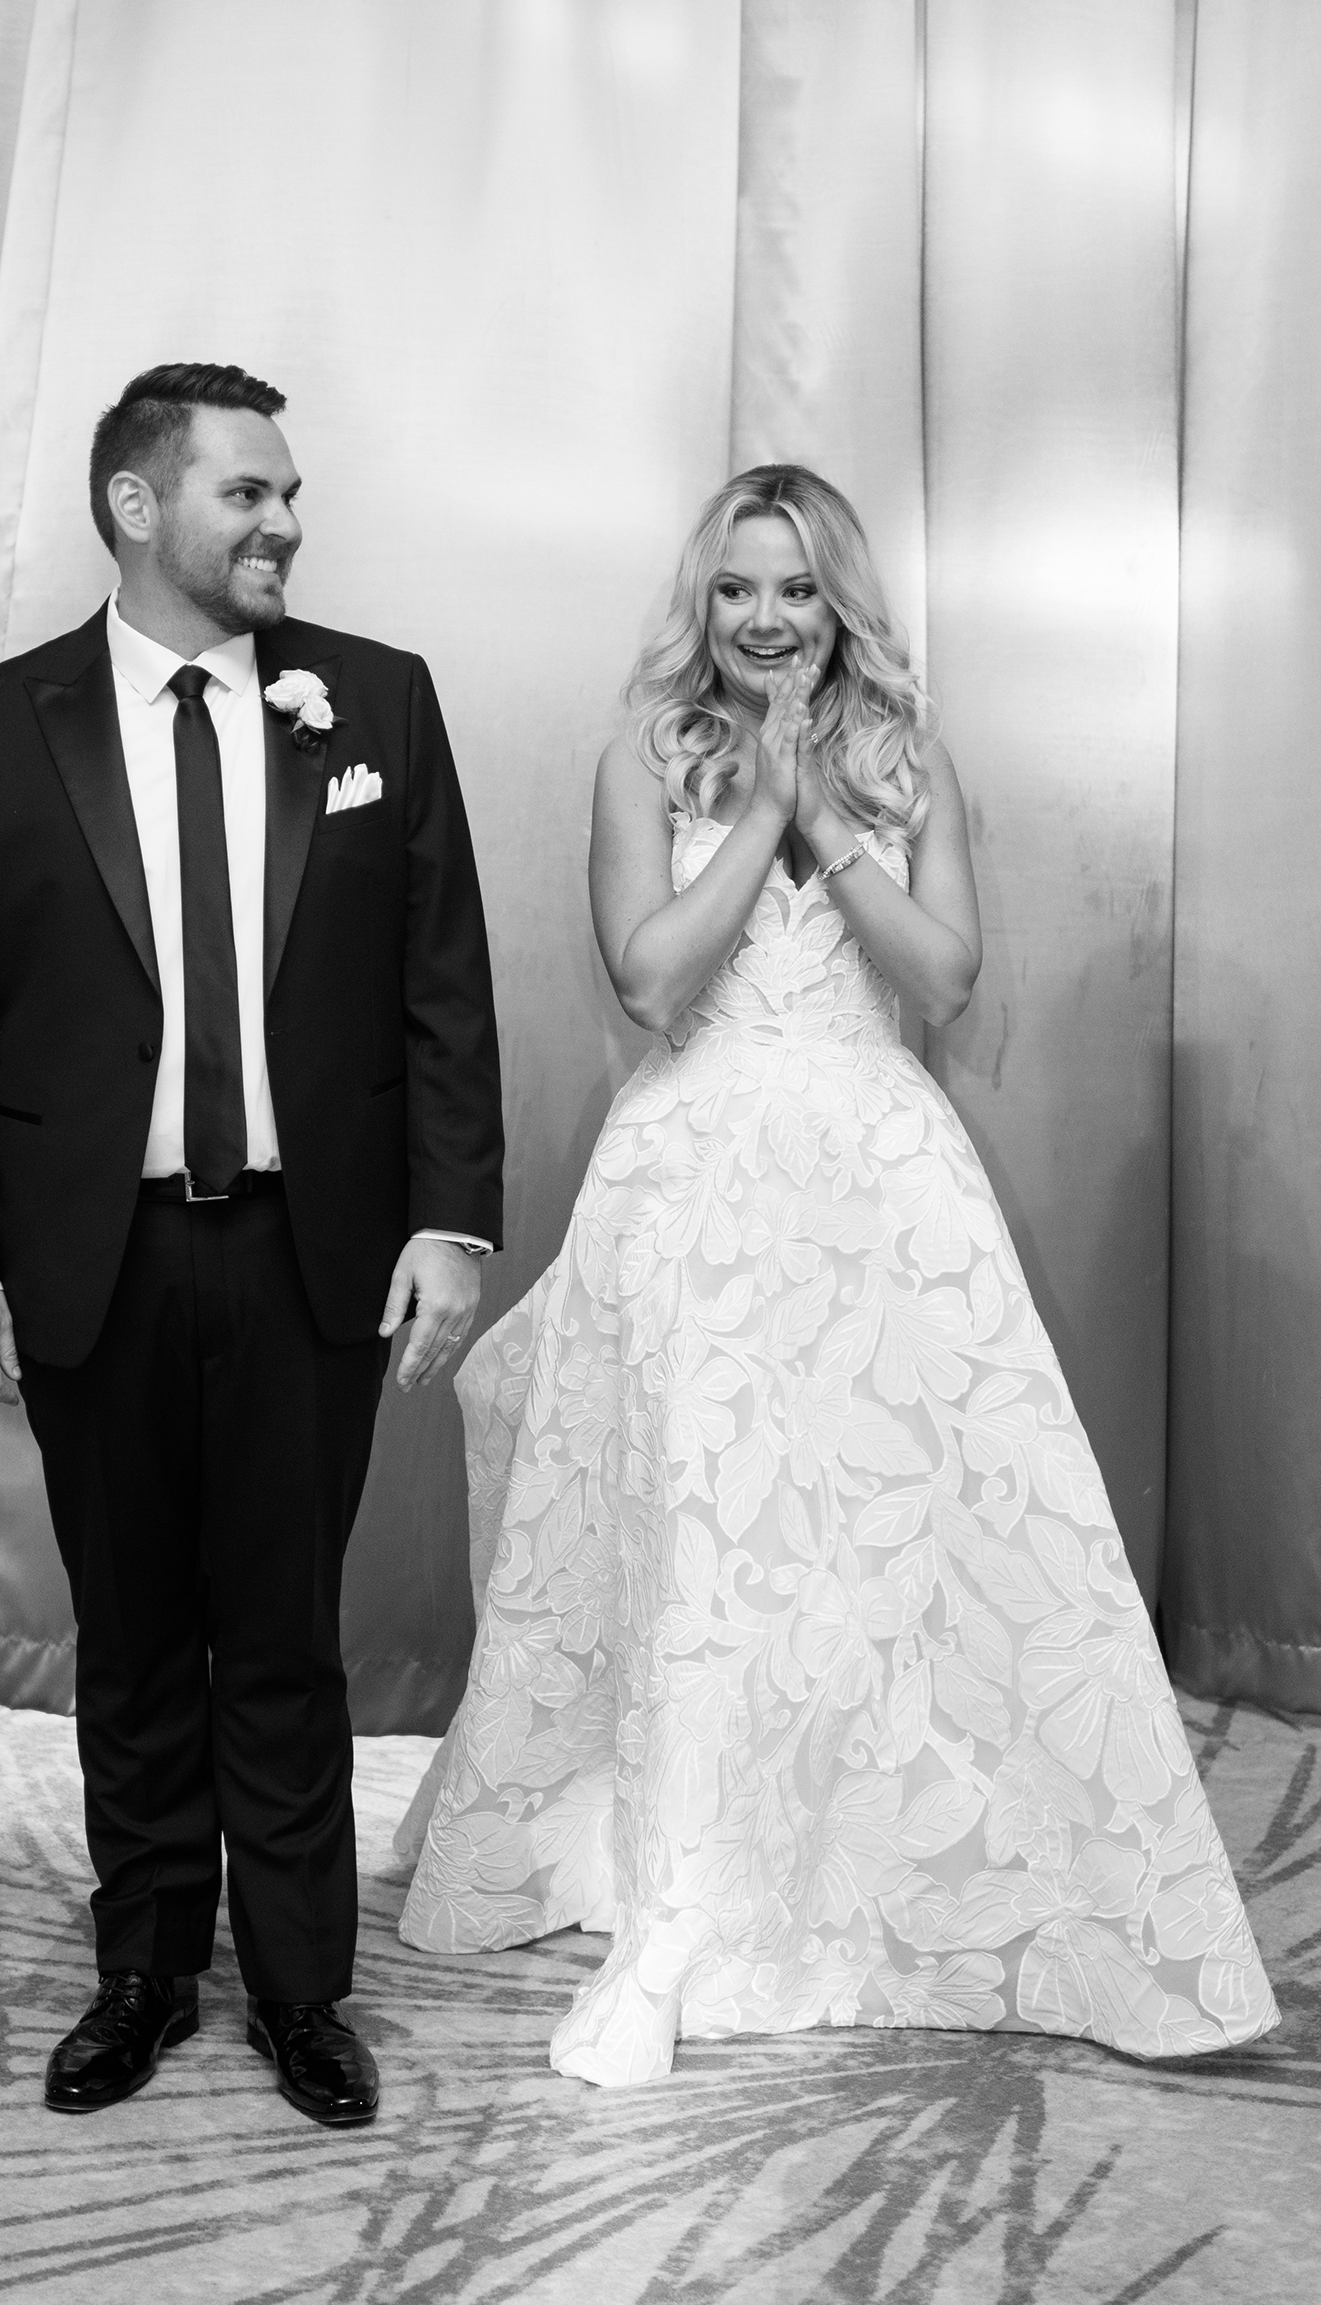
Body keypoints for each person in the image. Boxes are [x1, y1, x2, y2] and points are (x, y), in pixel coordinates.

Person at [397, 464, 1276, 2087]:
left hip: (880, 1179)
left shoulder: (907, 757)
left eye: (796, 589)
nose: (765, 620)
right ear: (702, 602)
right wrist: (761, 817)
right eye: (737, 588)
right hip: (693, 1178)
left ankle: (880, 1846)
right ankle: (696, 1857)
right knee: (710, 1520)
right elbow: (652, 977)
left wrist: (826, 819)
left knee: (889, 1527)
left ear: (838, 602)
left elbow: (944, 977)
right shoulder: (640, 758)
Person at [0, 361, 504, 2123]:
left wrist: (451, 1221)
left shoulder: (376, 701)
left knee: (284, 1629)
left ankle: (303, 1989)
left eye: (291, 493)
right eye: (250, 493)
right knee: (138, 1636)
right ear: (138, 507)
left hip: (313, 1257)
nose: (287, 523)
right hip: (96, 1255)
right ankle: (147, 1969)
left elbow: (440, 985)